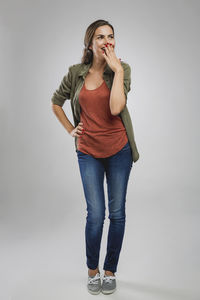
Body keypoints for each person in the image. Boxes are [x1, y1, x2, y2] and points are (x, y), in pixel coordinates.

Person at [51, 19, 139, 295]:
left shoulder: (122, 70)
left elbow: (115, 109)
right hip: (88, 151)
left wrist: (115, 69)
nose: (106, 41)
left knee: (117, 213)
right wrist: (70, 129)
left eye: (110, 36)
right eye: (100, 37)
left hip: (119, 151)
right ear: (90, 43)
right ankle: (93, 270)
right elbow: (56, 101)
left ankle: (110, 270)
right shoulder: (76, 73)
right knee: (96, 215)